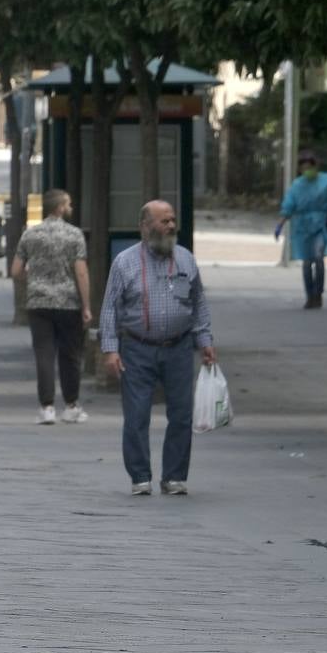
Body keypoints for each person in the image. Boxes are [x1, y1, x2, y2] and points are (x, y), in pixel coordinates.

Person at [99, 200, 216, 497]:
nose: (171, 226)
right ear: (145, 226)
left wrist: (205, 341)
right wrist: (110, 350)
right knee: (137, 415)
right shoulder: (124, 262)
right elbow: (110, 308)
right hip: (137, 348)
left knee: (181, 414)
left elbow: (199, 302)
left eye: (173, 220)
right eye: (163, 221)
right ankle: (140, 476)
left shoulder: (186, 259)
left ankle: (174, 476)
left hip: (178, 347)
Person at [11, 189, 90, 425]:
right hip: (68, 302)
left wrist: (34, 280)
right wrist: (86, 305)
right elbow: (81, 272)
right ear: (60, 208)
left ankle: (46, 408)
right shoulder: (74, 235)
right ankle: (71, 405)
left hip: (38, 302)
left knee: (44, 354)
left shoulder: (30, 235)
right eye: (68, 203)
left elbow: (16, 271)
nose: (71, 207)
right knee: (70, 355)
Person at [276, 150, 327, 309]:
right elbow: (289, 205)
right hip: (303, 227)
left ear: (315, 166)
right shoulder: (297, 185)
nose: (307, 171)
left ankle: (318, 294)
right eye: (304, 168)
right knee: (306, 262)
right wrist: (280, 224)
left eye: (309, 167)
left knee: (318, 258)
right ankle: (309, 295)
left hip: (322, 224)